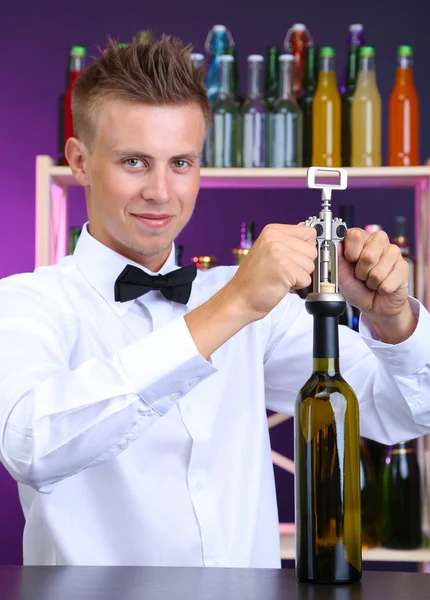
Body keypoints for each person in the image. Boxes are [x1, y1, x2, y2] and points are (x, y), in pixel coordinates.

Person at [0, 33, 430, 569]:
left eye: (181, 162)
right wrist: (232, 307)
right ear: (79, 161)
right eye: (134, 161)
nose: (161, 191)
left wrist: (395, 319)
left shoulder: (259, 311)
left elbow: (405, 412)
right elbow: (30, 446)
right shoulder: (28, 302)